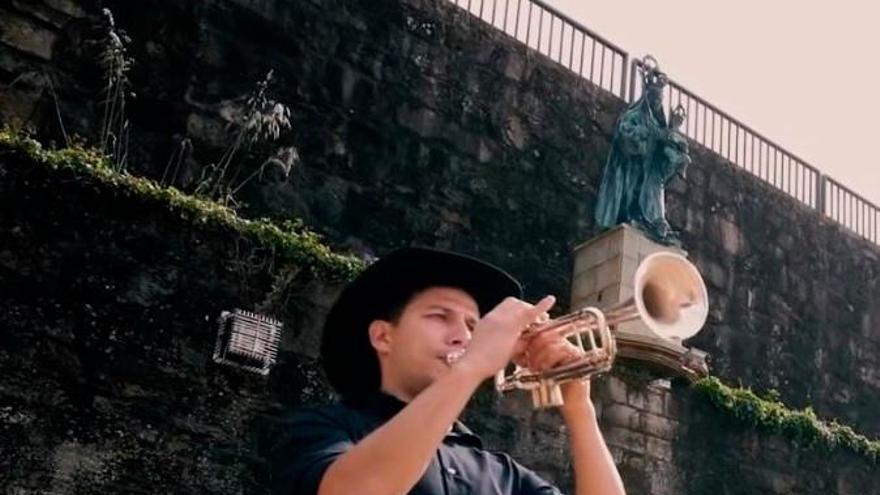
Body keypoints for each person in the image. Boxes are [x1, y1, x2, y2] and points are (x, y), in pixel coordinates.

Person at [270, 247, 626, 495]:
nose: (464, 336)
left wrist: (580, 408)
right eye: (440, 316)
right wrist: (472, 366)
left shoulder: (501, 473)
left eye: (474, 326)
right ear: (383, 336)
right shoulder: (322, 429)